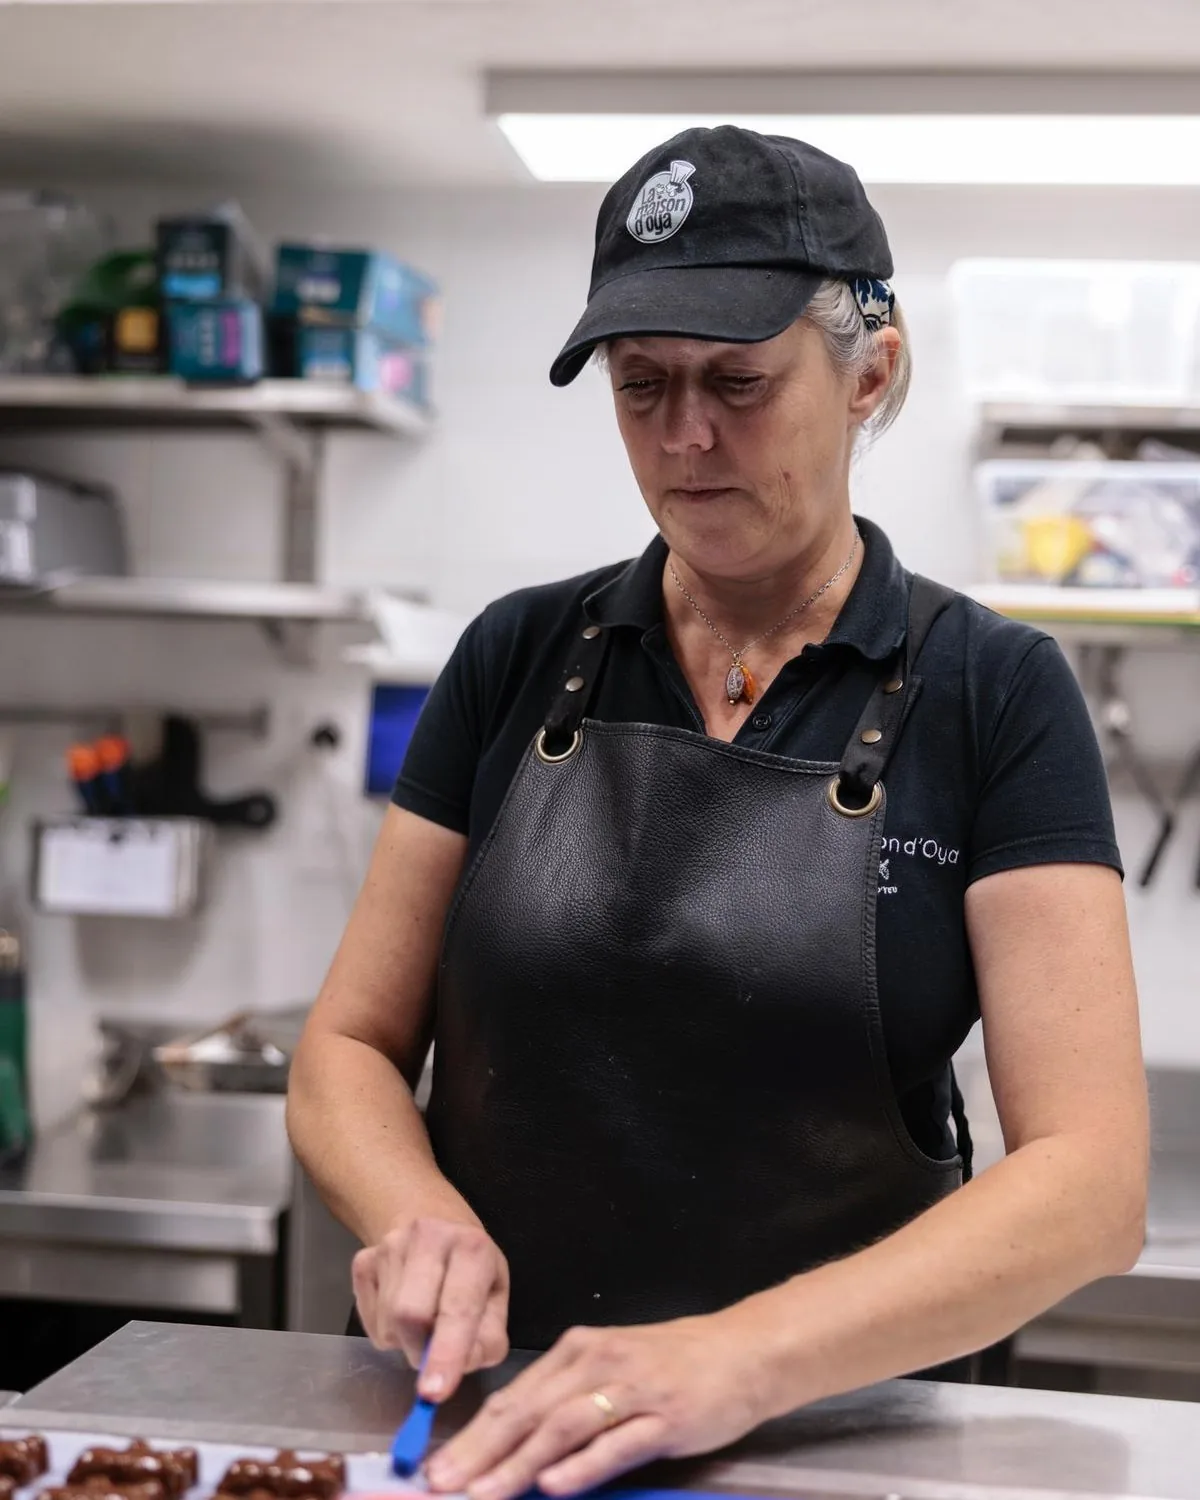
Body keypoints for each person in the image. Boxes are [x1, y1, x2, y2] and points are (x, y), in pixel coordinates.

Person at [287, 126, 1148, 1500]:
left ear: (873, 370)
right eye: (642, 389)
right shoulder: (518, 656)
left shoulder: (996, 693)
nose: (685, 439)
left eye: (739, 384)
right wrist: (417, 1215)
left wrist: (730, 1361)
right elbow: (347, 1043)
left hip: (835, 1447)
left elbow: (1094, 1183)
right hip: (483, 1431)